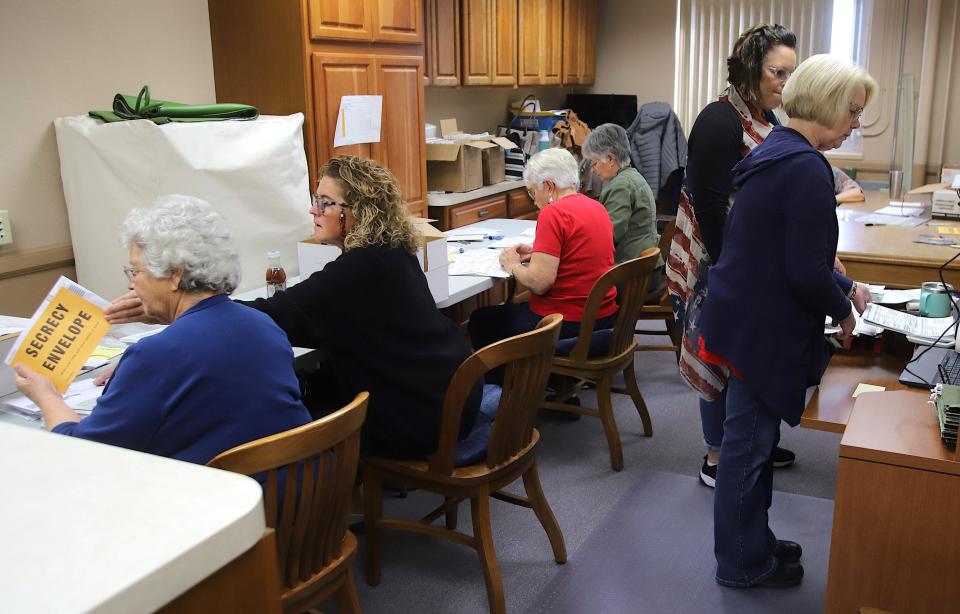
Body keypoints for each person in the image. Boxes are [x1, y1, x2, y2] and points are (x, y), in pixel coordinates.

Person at [107, 156, 480, 460]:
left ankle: (319, 501)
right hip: (447, 397)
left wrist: (176, 308)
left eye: (324, 203)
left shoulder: (358, 270)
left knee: (282, 423)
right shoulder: (393, 253)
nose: (313, 210)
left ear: (355, 212)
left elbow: (269, 316)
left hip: (418, 420)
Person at [697, 54, 877, 588]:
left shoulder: (783, 150)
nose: (855, 124)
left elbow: (790, 253)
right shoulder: (803, 168)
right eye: (852, 111)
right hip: (760, 328)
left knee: (750, 444)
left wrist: (847, 287)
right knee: (747, 449)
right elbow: (802, 270)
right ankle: (742, 564)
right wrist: (843, 309)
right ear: (824, 103)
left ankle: (753, 540)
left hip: (746, 316)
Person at [667, 24, 870, 487]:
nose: (785, 82)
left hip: (742, 256)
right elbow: (712, 209)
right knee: (717, 354)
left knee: (741, 362)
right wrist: (732, 274)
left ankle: (751, 438)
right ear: (749, 71)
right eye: (777, 72)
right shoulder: (719, 120)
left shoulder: (769, 119)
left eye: (791, 73)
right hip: (712, 260)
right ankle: (718, 454)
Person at [14, 195, 312, 465]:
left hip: (229, 513)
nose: (131, 284)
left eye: (136, 271)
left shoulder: (157, 355)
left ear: (175, 275)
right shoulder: (262, 326)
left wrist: (46, 396)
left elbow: (85, 453)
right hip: (302, 503)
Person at [468, 148, 617, 384]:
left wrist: (513, 265)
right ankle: (554, 382)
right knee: (512, 309)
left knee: (481, 320)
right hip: (603, 317)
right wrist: (538, 253)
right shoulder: (596, 207)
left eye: (532, 190)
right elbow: (577, 256)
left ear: (548, 186)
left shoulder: (553, 213)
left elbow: (540, 283)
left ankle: (510, 398)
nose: (533, 198)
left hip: (565, 323)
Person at [581, 123, 663, 298]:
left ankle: (594, 325)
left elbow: (609, 236)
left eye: (594, 163)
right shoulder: (633, 176)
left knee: (577, 287)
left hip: (633, 275)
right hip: (647, 270)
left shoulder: (620, 186)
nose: (593, 170)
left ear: (610, 159)